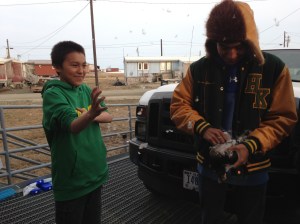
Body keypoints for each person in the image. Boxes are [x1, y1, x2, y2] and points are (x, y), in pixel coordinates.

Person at [170, 1, 297, 224]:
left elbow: (283, 117)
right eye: (224, 46)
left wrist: (251, 144)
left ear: (251, 40)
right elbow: (179, 105)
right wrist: (203, 127)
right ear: (213, 42)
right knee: (209, 218)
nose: (231, 54)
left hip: (254, 169)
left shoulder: (275, 69)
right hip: (209, 167)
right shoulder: (199, 68)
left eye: (238, 46)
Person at [42, 41, 113, 224]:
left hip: (95, 173)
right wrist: (89, 113)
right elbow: (72, 125)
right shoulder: (53, 94)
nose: (81, 70)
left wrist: (92, 115)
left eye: (84, 65)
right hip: (72, 181)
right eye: (74, 65)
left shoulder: (84, 89)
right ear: (57, 67)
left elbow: (108, 116)